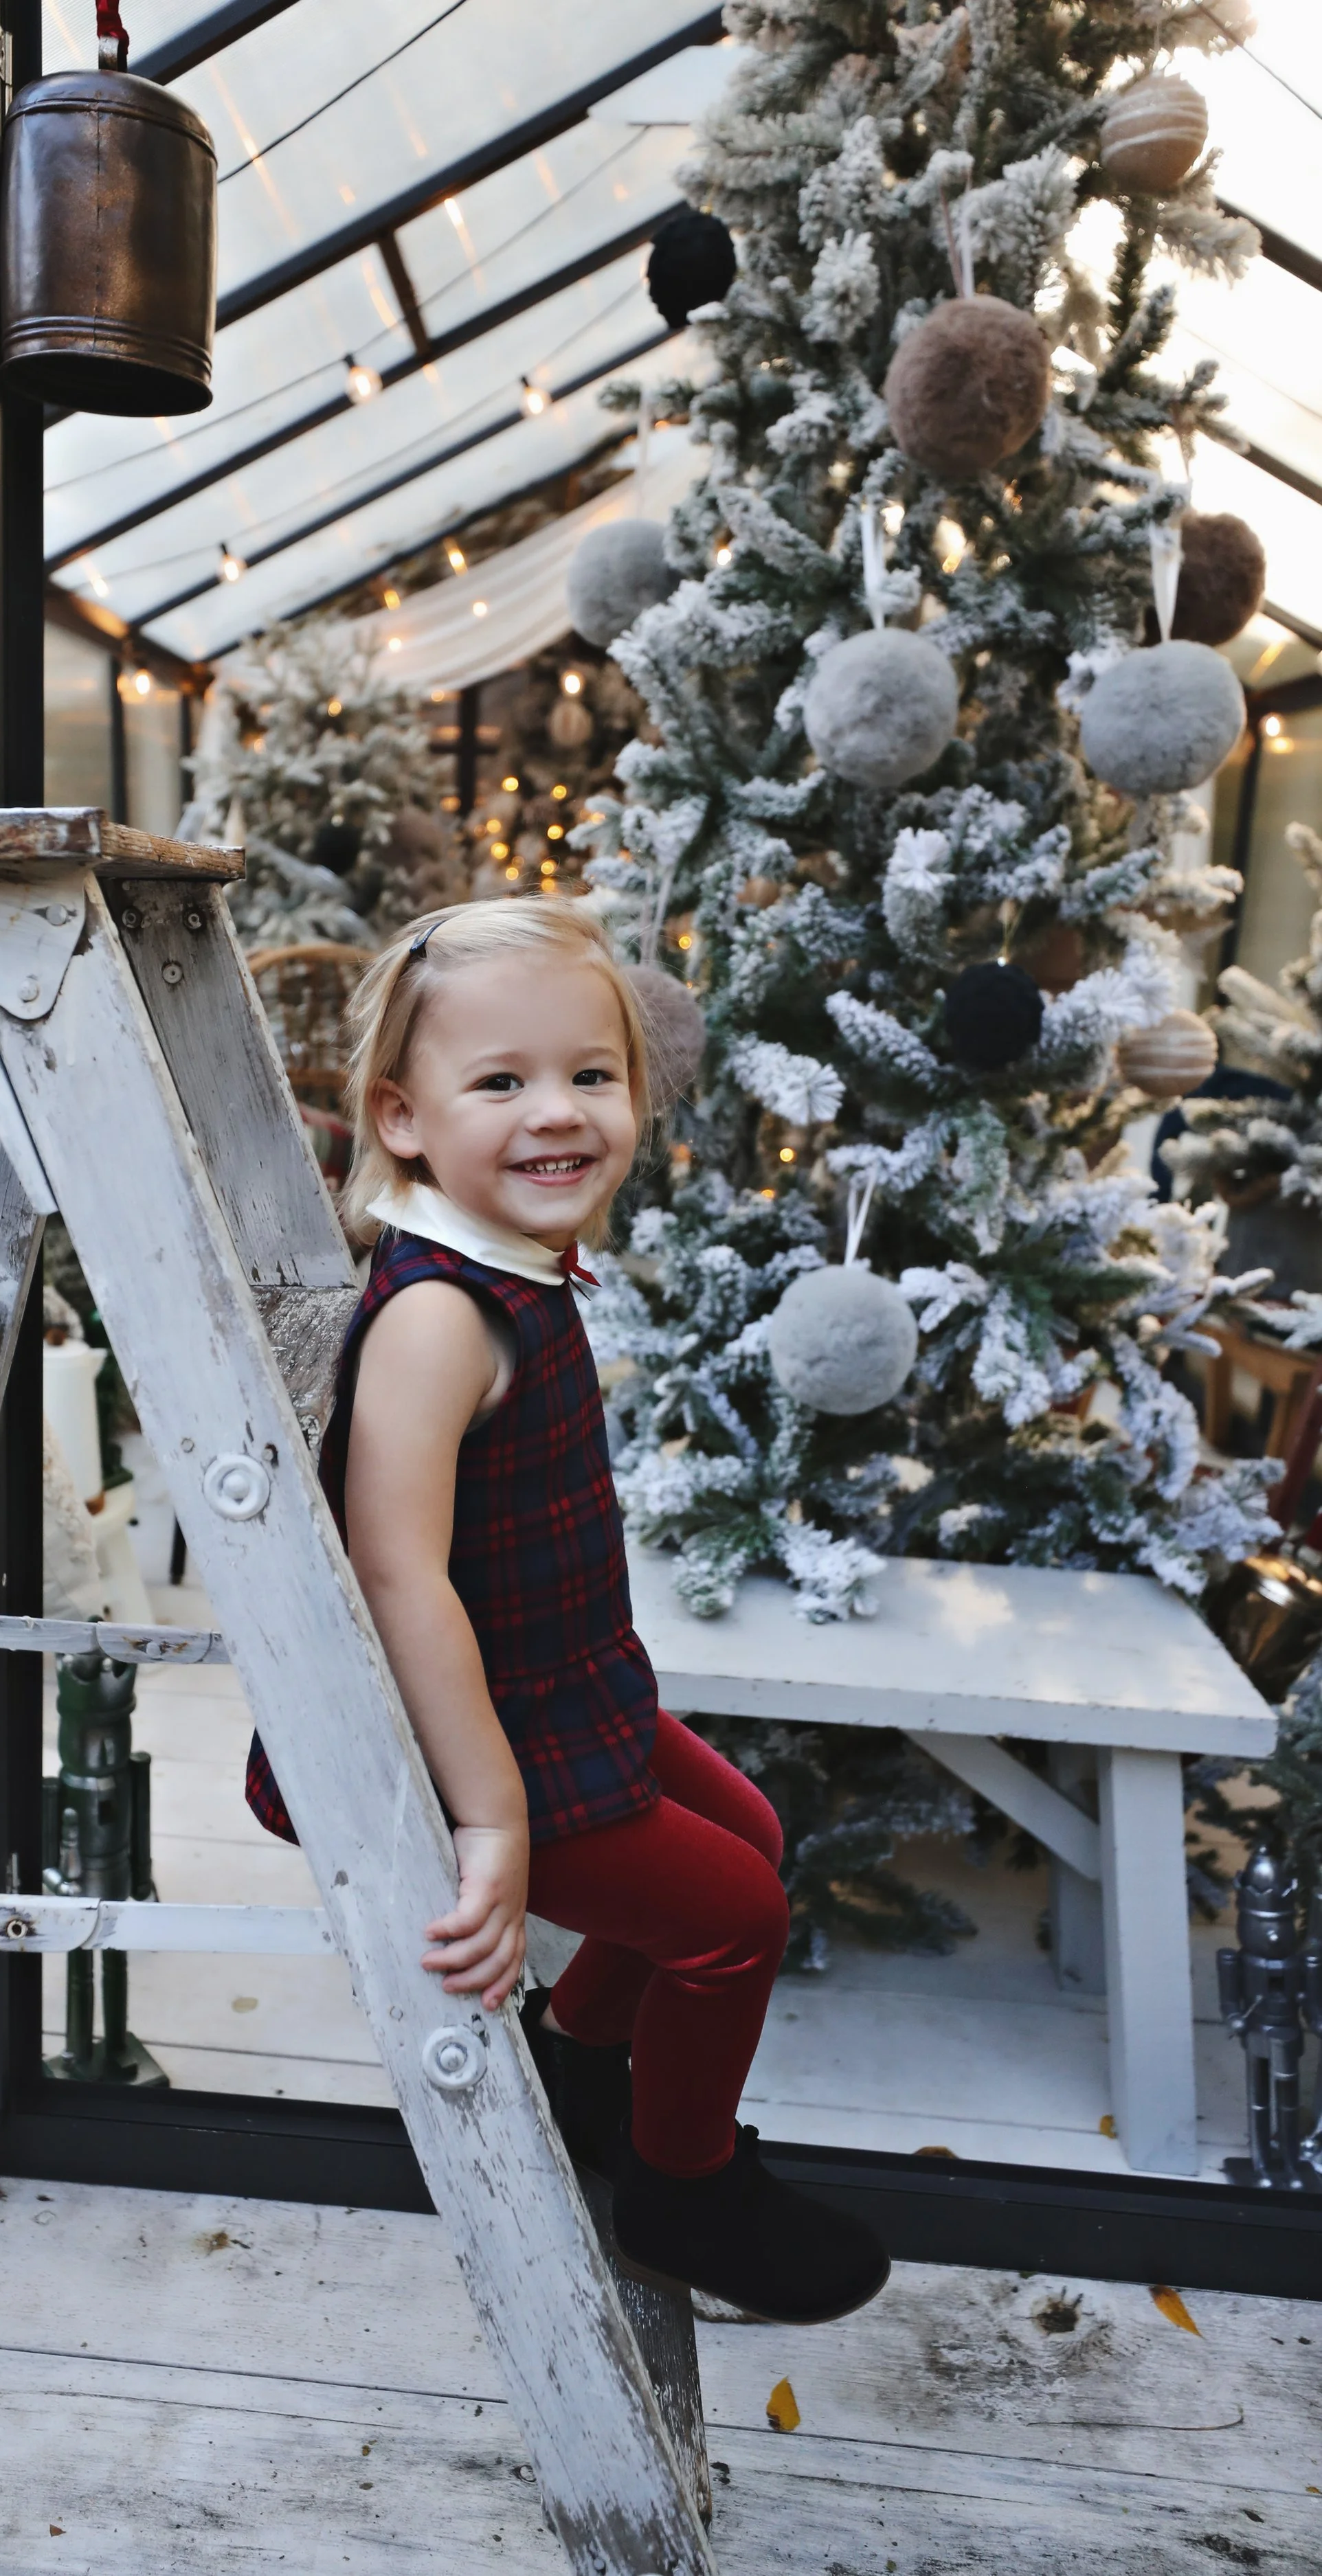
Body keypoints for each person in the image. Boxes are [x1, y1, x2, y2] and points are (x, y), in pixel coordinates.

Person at [245, 899, 887, 2325]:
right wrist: (491, 1820)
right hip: (484, 1732)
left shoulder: (513, 1268)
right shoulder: (434, 1318)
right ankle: (682, 2188)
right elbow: (396, 1576)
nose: (558, 1114)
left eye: (589, 1076)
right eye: (501, 1083)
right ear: (402, 1120)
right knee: (730, 1917)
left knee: (754, 1832)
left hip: (563, 1684)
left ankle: (582, 2066)